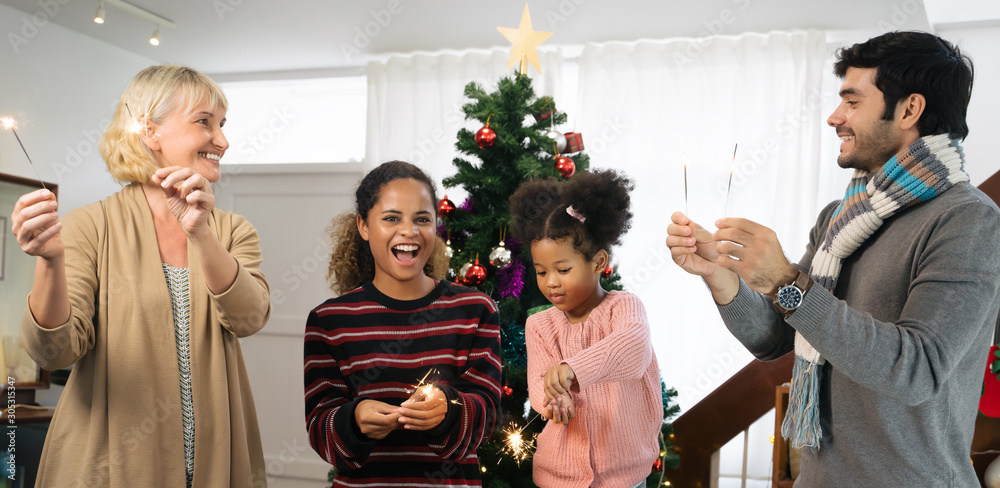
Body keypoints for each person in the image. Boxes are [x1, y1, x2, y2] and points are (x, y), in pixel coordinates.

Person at [666, 31, 1000, 486]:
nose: (834, 117)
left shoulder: (968, 222)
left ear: (909, 110)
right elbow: (775, 337)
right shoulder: (841, 218)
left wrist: (786, 279)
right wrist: (719, 276)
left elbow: (915, 370)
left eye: (852, 101)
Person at [11, 65, 270, 487]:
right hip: (108, 467)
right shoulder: (89, 226)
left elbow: (249, 318)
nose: (222, 140)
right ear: (149, 132)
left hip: (212, 463)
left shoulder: (232, 230)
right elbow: (53, 352)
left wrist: (201, 233)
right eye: (204, 122)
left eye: (222, 125)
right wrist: (51, 262)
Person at [303, 160, 501, 487]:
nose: (409, 231)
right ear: (364, 226)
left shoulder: (475, 311)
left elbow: (486, 417)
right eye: (392, 218)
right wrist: (353, 421)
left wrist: (448, 411)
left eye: (422, 219)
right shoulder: (329, 321)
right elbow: (321, 431)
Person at [509, 169, 662, 488]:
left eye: (563, 269)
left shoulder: (624, 308)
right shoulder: (540, 325)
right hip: (557, 476)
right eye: (540, 272)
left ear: (598, 261)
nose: (551, 282)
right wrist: (553, 399)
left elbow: (632, 350)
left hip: (624, 476)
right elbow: (538, 383)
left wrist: (571, 371)